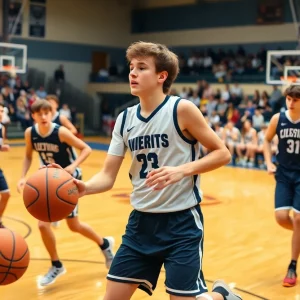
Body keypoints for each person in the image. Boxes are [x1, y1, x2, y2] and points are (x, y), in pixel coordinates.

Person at [47, 42, 242, 300]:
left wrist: (182, 170)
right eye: (131, 68)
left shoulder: (181, 109)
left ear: (162, 76)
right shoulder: (125, 119)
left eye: (142, 68)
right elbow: (107, 175)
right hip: (140, 224)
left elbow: (222, 152)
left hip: (181, 223)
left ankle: (221, 295)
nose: (132, 73)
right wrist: (84, 188)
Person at [17, 100, 114, 286]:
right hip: (48, 180)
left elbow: (86, 148)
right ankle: (57, 264)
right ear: (33, 116)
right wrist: (22, 176)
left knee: (73, 225)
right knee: (46, 225)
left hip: (68, 182)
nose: (44, 116)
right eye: (40, 114)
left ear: (51, 114)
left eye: (47, 113)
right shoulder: (30, 133)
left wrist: (72, 166)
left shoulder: (59, 131)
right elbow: (28, 155)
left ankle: (104, 244)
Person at [264, 85, 300, 287]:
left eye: (295, 99)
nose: (291, 103)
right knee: (281, 218)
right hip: (284, 174)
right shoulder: (278, 119)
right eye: (289, 99)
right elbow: (267, 140)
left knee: (299, 219)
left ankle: (292, 266)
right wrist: (269, 162)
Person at [0, 103, 10, 228]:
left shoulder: (1, 127)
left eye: (2, 111)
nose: (1, 113)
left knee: (6, 194)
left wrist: (2, 148)